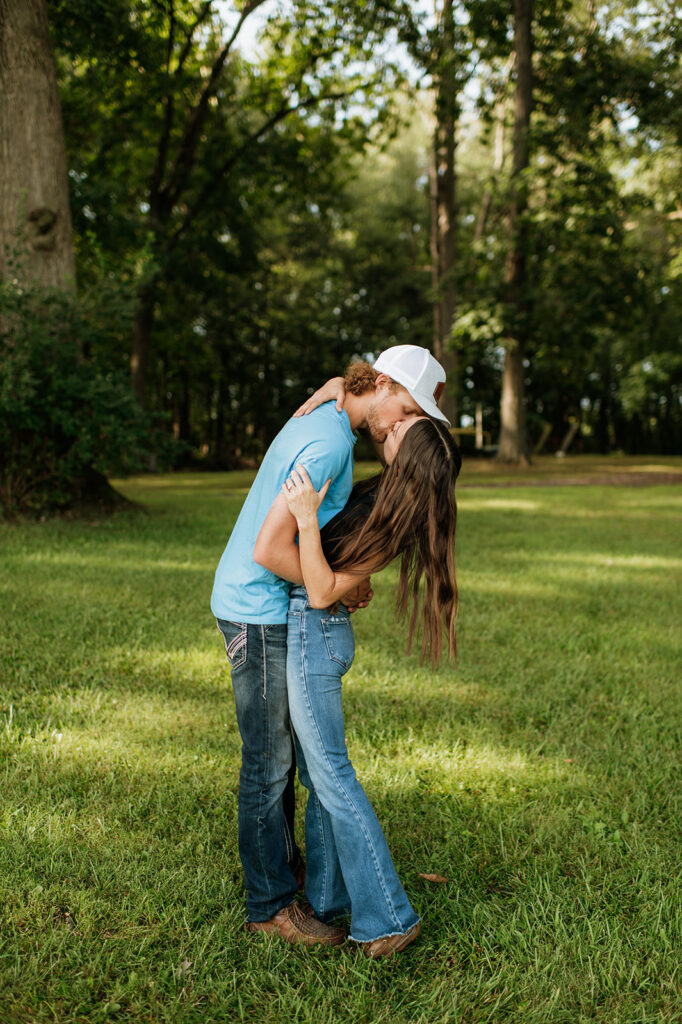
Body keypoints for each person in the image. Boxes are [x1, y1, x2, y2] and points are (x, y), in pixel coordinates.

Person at [211, 345, 448, 947]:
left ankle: (308, 887)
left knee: (303, 767)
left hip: (288, 613)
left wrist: (340, 575)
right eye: (406, 409)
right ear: (386, 384)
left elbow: (319, 574)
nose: (398, 424)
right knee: (278, 768)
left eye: (409, 420)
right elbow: (279, 555)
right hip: (263, 610)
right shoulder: (334, 440)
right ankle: (276, 904)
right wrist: (338, 583)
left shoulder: (336, 426)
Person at [278, 415, 461, 958]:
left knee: (332, 775)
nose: (395, 424)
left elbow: (319, 590)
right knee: (318, 772)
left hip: (317, 635)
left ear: (413, 455)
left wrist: (307, 522)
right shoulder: (383, 498)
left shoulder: (394, 515)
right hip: (319, 634)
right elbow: (342, 573)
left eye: (406, 426)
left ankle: (388, 917)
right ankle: (329, 899)